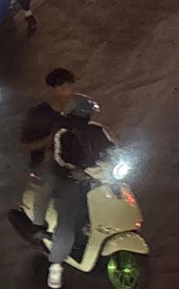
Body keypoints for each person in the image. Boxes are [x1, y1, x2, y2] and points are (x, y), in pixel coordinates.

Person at [46, 96, 115, 287]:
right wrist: (75, 172)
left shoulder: (97, 130)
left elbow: (113, 148)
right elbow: (59, 161)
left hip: (100, 177)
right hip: (73, 182)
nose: (87, 115)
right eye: (84, 112)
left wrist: (119, 158)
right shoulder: (63, 134)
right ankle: (56, 265)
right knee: (67, 223)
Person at [21, 68, 79, 235]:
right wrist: (50, 140)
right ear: (55, 89)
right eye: (66, 86)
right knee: (48, 183)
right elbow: (25, 145)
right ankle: (38, 225)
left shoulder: (73, 111)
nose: (70, 90)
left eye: (71, 85)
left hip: (70, 159)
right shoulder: (39, 114)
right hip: (46, 162)